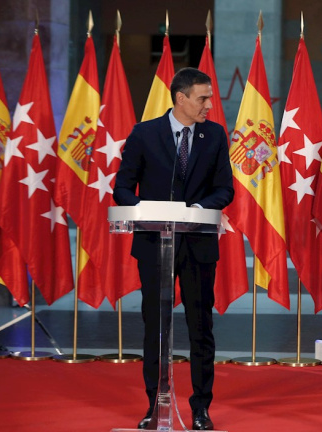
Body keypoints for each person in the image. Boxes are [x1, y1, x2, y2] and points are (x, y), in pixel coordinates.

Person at [114, 67, 234, 430]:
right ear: (180, 98)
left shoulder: (214, 135)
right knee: (155, 328)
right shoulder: (144, 133)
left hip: (198, 244)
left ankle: (201, 409)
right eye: (202, 98)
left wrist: (197, 209)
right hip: (155, 244)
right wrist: (144, 210)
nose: (209, 105)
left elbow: (224, 189)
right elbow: (122, 188)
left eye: (210, 98)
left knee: (201, 327)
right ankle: (156, 406)